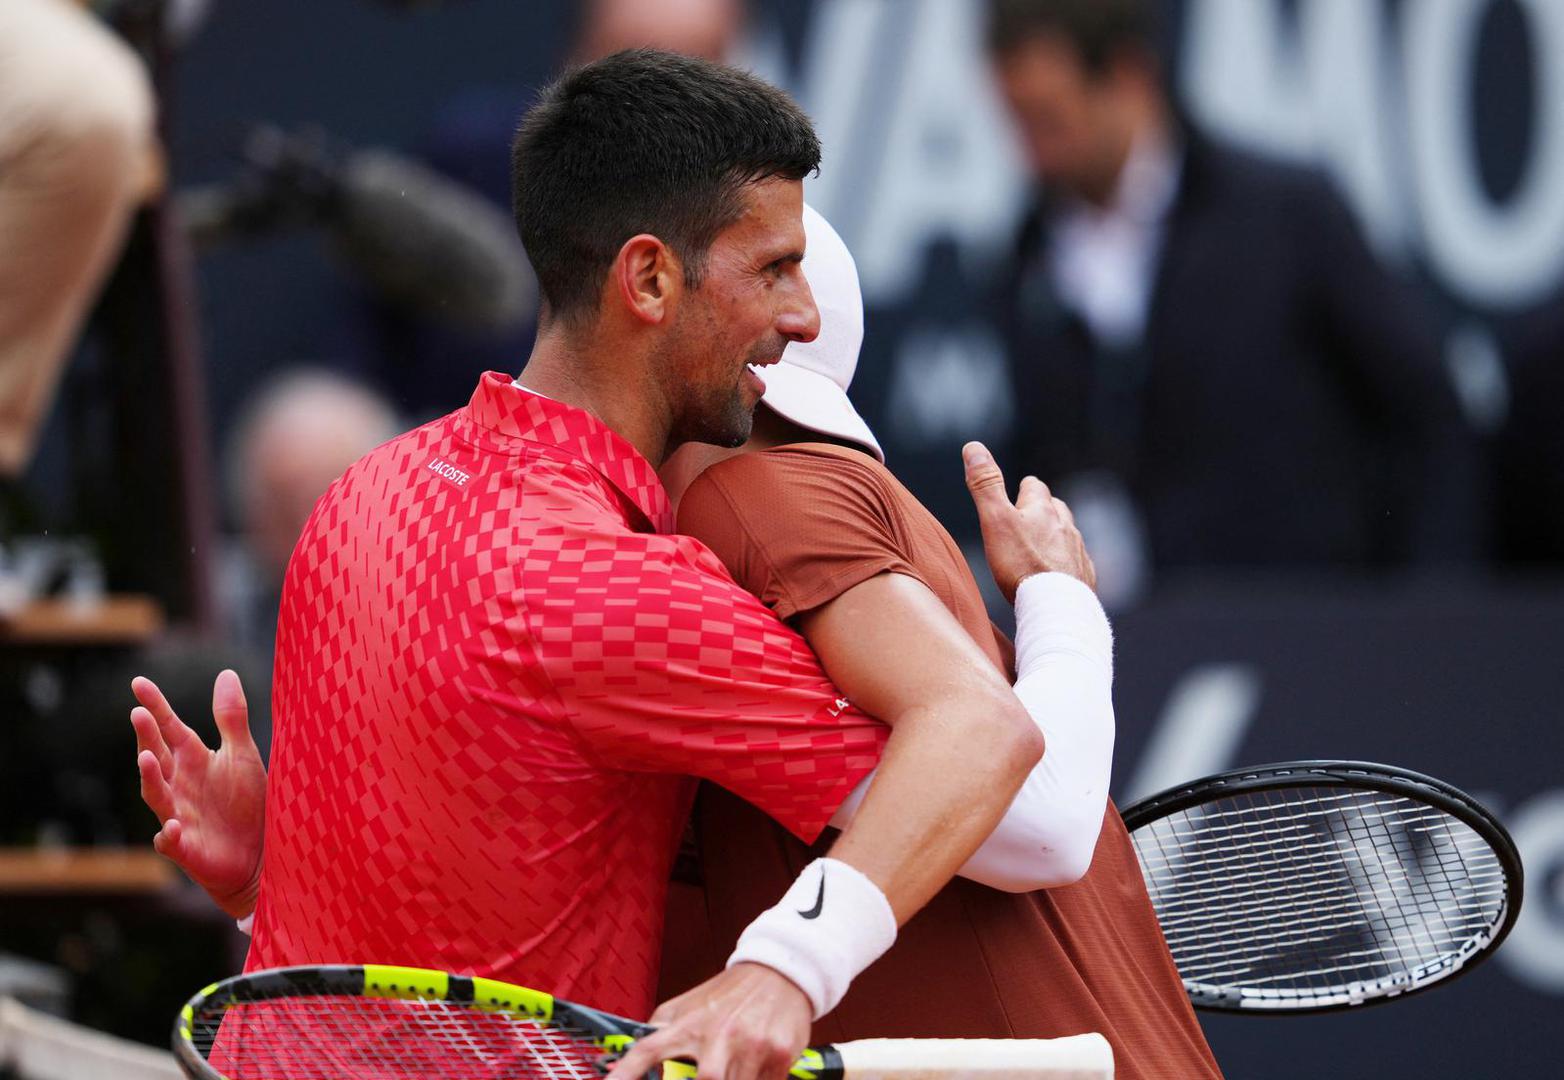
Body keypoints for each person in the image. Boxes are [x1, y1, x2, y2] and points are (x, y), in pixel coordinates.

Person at [129, 50, 1088, 1080]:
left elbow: (420, 946)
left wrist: (265, 890)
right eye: (771, 269)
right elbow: (999, 761)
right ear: (647, 279)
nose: (801, 316)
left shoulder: (359, 495)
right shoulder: (619, 594)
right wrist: (786, 969)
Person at [987, 0, 1474, 605]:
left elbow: (1426, 415)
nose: (1031, 155)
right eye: (1016, 123)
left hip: (1311, 632)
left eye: (1048, 120)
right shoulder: (1024, 257)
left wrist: (1428, 613)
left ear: (1129, 76)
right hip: (1127, 652)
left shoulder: (1286, 216)